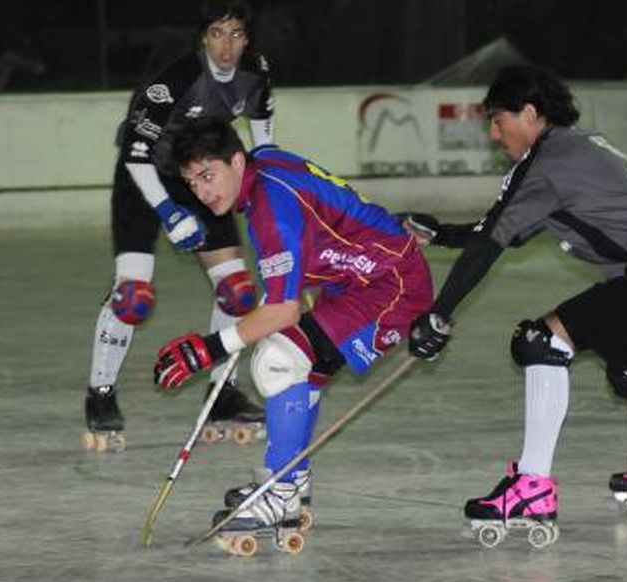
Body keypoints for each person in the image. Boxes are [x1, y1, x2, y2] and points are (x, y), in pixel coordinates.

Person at [408, 65, 627, 542]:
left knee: (540, 342)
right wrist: (441, 234)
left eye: (497, 119)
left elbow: (489, 244)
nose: (493, 133)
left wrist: (438, 314)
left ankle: (532, 486)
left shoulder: (547, 162)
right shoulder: (573, 148)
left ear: (530, 114)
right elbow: (495, 232)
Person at [154, 118, 433, 540]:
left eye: (208, 175)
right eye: (193, 183)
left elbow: (283, 311)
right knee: (303, 367)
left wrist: (207, 350)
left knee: (279, 361)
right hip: (355, 280)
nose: (203, 192)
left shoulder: (269, 207)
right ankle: (292, 480)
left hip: (390, 286)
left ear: (235, 160)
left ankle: (279, 493)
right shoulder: (261, 166)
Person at [84, 1, 271, 451]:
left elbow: (264, 145)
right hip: (144, 177)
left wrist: (268, 202)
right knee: (133, 298)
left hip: (202, 175)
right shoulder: (172, 84)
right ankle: (101, 393)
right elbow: (134, 155)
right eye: (217, 34)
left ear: (247, 38)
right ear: (202, 38)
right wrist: (168, 212)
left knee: (238, 290)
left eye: (236, 34)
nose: (227, 46)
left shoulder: (257, 74)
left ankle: (221, 391)